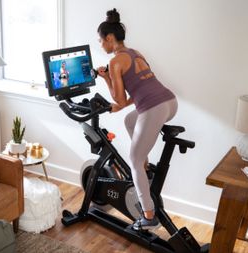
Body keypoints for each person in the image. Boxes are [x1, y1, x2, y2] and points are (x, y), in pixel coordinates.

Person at [96, 8, 177, 230]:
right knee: (130, 121)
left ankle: (149, 215)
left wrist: (106, 78)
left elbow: (120, 100)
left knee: (132, 159)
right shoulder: (135, 53)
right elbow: (141, 88)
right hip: (169, 102)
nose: (101, 45)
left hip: (154, 108)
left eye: (101, 41)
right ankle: (145, 164)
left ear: (110, 38)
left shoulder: (115, 63)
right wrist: (120, 103)